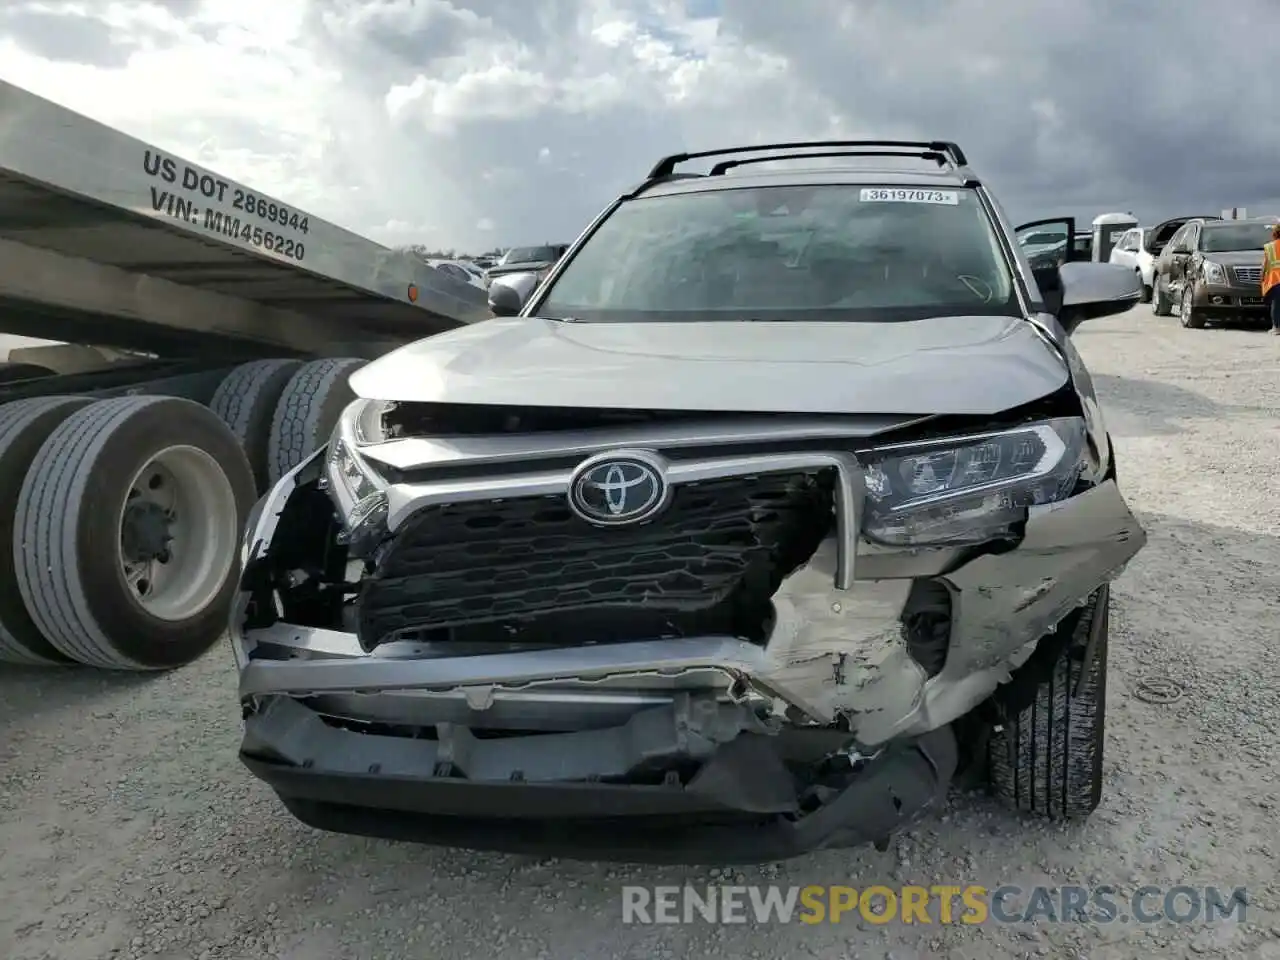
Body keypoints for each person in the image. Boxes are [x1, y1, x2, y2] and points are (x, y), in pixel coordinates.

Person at [1263, 222, 1280, 335]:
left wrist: (1262, 278)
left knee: (1277, 303)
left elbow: (1264, 265)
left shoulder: (1269, 247)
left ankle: (1276, 328)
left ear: (1274, 234)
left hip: (1276, 279)